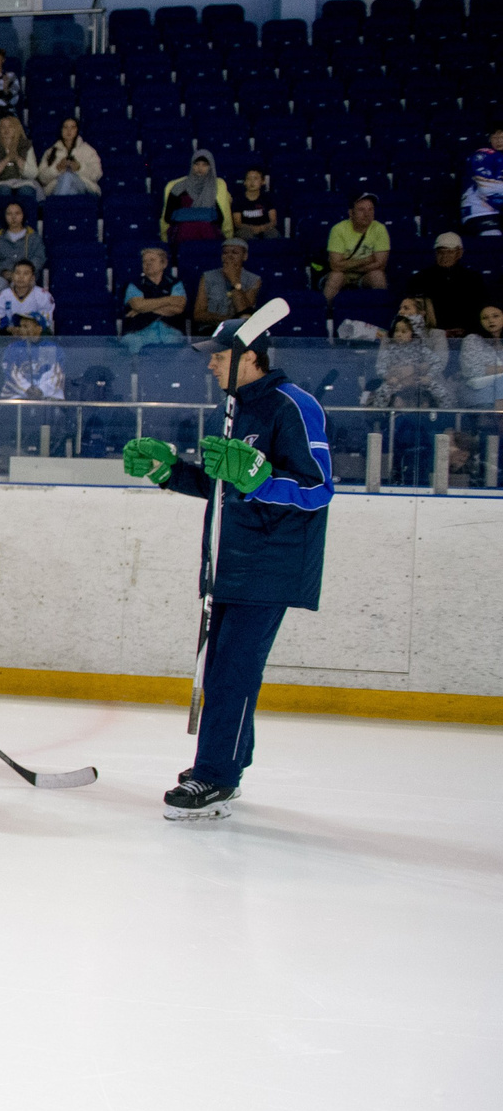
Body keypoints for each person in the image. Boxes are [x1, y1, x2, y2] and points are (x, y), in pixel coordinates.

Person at [121, 317, 332, 820]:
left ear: (250, 356)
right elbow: (222, 484)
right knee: (224, 672)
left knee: (232, 672)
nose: (211, 361)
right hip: (225, 562)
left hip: (270, 563)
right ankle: (229, 762)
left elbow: (318, 488)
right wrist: (168, 470)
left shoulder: (295, 406)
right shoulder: (229, 410)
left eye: (219, 354)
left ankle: (215, 775)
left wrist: (262, 481)